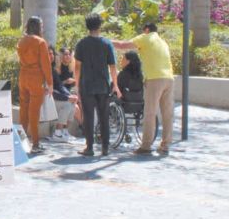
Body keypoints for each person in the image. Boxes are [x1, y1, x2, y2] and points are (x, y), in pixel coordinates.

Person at [112, 22, 174, 156]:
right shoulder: (163, 42)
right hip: (169, 78)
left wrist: (105, 40)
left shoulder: (146, 37)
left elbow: (122, 45)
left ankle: (146, 146)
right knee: (167, 114)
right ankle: (165, 145)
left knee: (150, 113)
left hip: (155, 79)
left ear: (146, 29)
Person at [74, 13, 121, 157]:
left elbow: (77, 67)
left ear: (87, 26)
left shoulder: (81, 44)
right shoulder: (107, 44)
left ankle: (89, 147)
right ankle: (105, 148)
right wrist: (115, 85)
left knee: (88, 117)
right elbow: (112, 67)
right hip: (103, 86)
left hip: (87, 85)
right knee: (104, 116)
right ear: (100, 26)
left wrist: (77, 85)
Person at [16, 16, 53, 154]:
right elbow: (46, 65)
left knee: (23, 110)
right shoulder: (40, 42)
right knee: (34, 112)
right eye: (41, 26)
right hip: (36, 78)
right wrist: (50, 83)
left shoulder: (21, 41)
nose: (42, 28)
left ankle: (20, 142)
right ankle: (35, 143)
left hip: (23, 76)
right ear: (38, 27)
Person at [49, 45, 78, 142]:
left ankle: (64, 132)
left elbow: (60, 86)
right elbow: (52, 90)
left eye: (52, 54)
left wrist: (69, 96)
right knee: (68, 104)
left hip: (56, 96)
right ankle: (57, 133)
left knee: (72, 103)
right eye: (48, 54)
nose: (51, 56)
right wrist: (67, 98)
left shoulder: (53, 70)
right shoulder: (47, 69)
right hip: (47, 99)